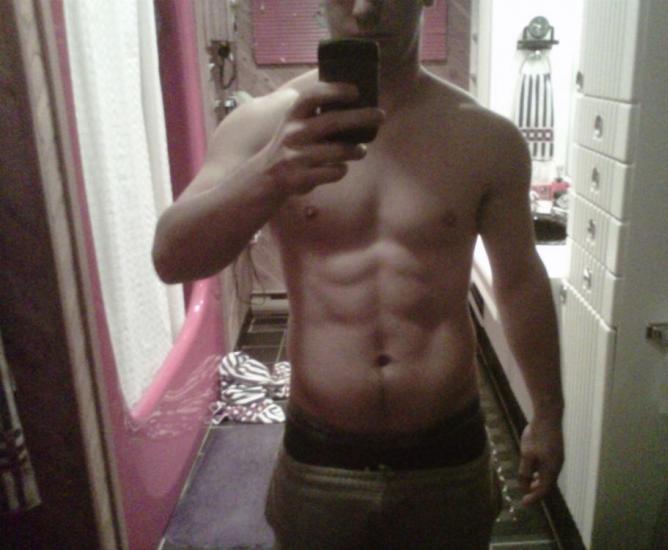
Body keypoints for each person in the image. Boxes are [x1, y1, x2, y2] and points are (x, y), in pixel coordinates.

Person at [153, 1, 564, 548]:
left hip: (448, 460)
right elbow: (172, 259)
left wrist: (549, 414)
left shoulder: (486, 138)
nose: (365, 9)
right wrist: (268, 175)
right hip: (320, 460)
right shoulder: (265, 127)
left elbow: (519, 282)